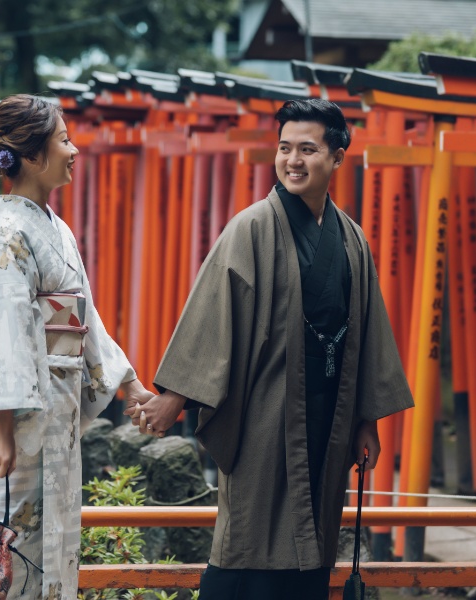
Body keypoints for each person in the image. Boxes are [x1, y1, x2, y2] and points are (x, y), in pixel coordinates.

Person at [131, 98, 413, 598]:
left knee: (313, 548)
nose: (293, 161)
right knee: (248, 542)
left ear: (337, 157)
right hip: (266, 412)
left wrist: (366, 421)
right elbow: (215, 313)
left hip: (330, 417)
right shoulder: (252, 227)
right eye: (284, 149)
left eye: (308, 149)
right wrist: (175, 396)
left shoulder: (352, 239)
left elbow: (368, 333)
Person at [0, 94, 153, 599]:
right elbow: (2, 333)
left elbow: (85, 318)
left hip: (60, 414)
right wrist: (0, 427)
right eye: (64, 140)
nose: (74, 150)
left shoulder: (56, 229)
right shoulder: (4, 234)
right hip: (23, 427)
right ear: (30, 156)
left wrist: (130, 386)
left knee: (57, 547)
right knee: (13, 551)